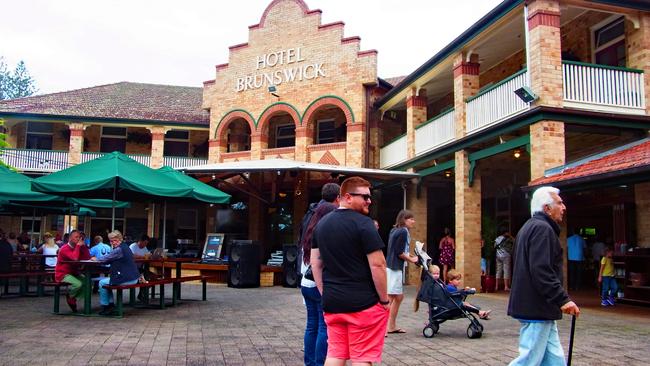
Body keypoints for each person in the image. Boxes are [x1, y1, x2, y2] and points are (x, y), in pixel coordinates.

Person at [311, 176, 389, 365]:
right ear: (347, 197)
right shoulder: (365, 224)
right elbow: (378, 265)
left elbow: (316, 264)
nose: (369, 201)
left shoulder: (321, 225)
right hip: (363, 303)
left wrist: (324, 292)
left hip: (332, 303)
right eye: (365, 197)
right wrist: (385, 300)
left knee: (335, 354)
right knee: (362, 357)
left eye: (370, 197)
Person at [508, 186, 580, 366]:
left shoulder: (529, 227)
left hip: (539, 307)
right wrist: (562, 299)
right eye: (559, 203)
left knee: (554, 360)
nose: (564, 207)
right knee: (529, 359)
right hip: (536, 307)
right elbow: (541, 270)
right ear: (547, 208)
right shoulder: (542, 229)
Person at [300, 191, 339, 366]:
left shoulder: (309, 230)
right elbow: (321, 264)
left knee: (312, 325)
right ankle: (318, 363)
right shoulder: (325, 233)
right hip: (319, 283)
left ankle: (310, 362)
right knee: (324, 327)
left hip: (305, 283)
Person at [385, 209, 419, 335]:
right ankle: (383, 328)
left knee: (398, 297)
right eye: (411, 219)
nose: (413, 221)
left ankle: (391, 326)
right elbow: (399, 253)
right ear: (404, 220)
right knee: (390, 298)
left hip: (391, 266)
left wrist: (410, 256)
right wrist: (413, 259)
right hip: (394, 268)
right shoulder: (403, 232)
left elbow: (399, 250)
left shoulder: (395, 230)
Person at [93, 230, 140, 315]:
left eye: (115, 240)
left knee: (101, 283)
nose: (113, 243)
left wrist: (95, 259)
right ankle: (110, 304)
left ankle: (106, 306)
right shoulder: (126, 247)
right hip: (133, 277)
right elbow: (110, 259)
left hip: (126, 279)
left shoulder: (119, 250)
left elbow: (105, 258)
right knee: (108, 282)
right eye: (111, 241)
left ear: (120, 239)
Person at [54, 230, 91, 312]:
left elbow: (87, 257)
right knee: (78, 284)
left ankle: (73, 298)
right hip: (63, 274)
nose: (78, 239)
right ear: (70, 238)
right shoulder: (64, 249)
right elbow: (74, 258)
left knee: (88, 283)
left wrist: (83, 246)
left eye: (80, 237)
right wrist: (78, 246)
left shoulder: (77, 247)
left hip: (74, 273)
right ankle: (70, 296)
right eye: (76, 237)